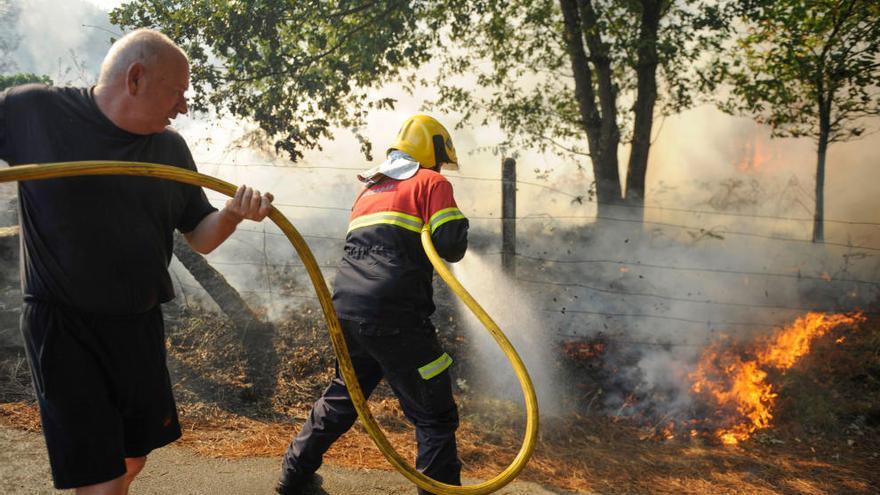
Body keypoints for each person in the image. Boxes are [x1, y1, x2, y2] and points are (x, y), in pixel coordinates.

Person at [0, 29, 274, 495]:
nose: (184, 106)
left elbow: (201, 237)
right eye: (178, 91)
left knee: (131, 458)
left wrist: (231, 214)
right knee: (101, 479)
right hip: (64, 327)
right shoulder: (35, 111)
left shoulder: (169, 150)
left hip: (139, 325)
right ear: (135, 78)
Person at [276, 114, 469, 495]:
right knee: (434, 415)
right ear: (432, 152)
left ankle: (293, 478)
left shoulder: (369, 191)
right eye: (441, 158)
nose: (442, 167)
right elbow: (451, 245)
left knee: (344, 395)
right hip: (396, 316)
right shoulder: (432, 182)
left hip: (347, 311)